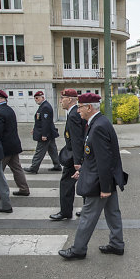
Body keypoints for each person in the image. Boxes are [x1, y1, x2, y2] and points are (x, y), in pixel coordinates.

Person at [58, 93, 128, 260]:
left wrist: (104, 188)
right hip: (105, 178)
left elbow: (104, 160)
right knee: (112, 212)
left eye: (80, 107)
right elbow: (94, 156)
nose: (78, 111)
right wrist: (82, 170)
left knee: (88, 215)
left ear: (89, 107)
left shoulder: (98, 126)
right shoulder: (98, 123)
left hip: (100, 181)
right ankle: (117, 244)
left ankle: (78, 249)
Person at [0, 89, 30, 198]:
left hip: (4, 147)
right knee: (17, 169)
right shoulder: (8, 109)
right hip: (13, 145)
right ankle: (24, 188)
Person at [50, 89, 86, 221]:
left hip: (74, 155)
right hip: (77, 153)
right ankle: (86, 209)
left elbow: (77, 139)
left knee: (66, 183)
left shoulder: (73, 115)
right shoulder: (75, 113)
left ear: (69, 99)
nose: (60, 101)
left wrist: (77, 160)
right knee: (83, 181)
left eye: (62, 98)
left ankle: (66, 212)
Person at [24, 91, 61, 174]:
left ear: (43, 98)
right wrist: (34, 128)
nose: (36, 100)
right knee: (52, 150)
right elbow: (39, 121)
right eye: (35, 98)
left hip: (45, 134)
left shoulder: (45, 107)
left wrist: (44, 134)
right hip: (48, 133)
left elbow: (46, 122)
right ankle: (57, 165)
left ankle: (34, 167)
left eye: (37, 98)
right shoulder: (43, 106)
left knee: (39, 151)